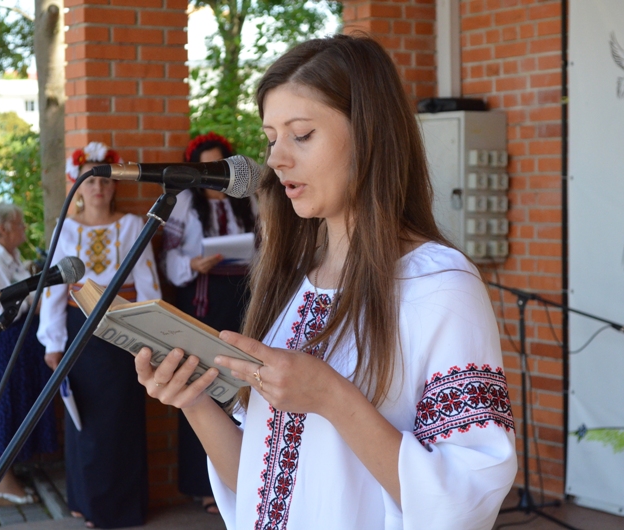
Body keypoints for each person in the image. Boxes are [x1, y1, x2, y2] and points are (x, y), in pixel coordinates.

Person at [135, 34, 517, 530]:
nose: (276, 159)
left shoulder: (438, 285)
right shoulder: (293, 282)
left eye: (301, 134)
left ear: (369, 135)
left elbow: (467, 499)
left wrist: (332, 397)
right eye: (271, 138)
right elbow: (256, 483)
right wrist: (193, 399)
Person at [37, 142, 162, 528]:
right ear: (78, 185)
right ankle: (87, 504)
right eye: (90, 180)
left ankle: (125, 508)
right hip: (80, 332)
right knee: (86, 420)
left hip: (123, 330)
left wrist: (151, 336)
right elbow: (54, 290)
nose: (98, 187)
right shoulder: (66, 229)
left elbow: (148, 282)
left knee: (121, 418)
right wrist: (53, 342)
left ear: (114, 185)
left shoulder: (133, 225)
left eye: (105, 180)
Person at [160, 132, 257, 514]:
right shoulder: (186, 203)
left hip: (243, 300)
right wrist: (193, 264)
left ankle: (246, 480)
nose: (215, 178)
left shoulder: (248, 201)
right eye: (208, 171)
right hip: (202, 301)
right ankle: (204, 486)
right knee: (200, 382)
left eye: (221, 168)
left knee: (242, 384)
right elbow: (168, 258)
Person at [0, 203, 57, 506]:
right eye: (19, 223)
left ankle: (11, 476)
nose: (24, 228)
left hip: (18, 342)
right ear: (3, 228)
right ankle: (1, 485)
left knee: (18, 404)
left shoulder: (12, 257)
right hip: (3, 342)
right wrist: (33, 301)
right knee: (2, 406)